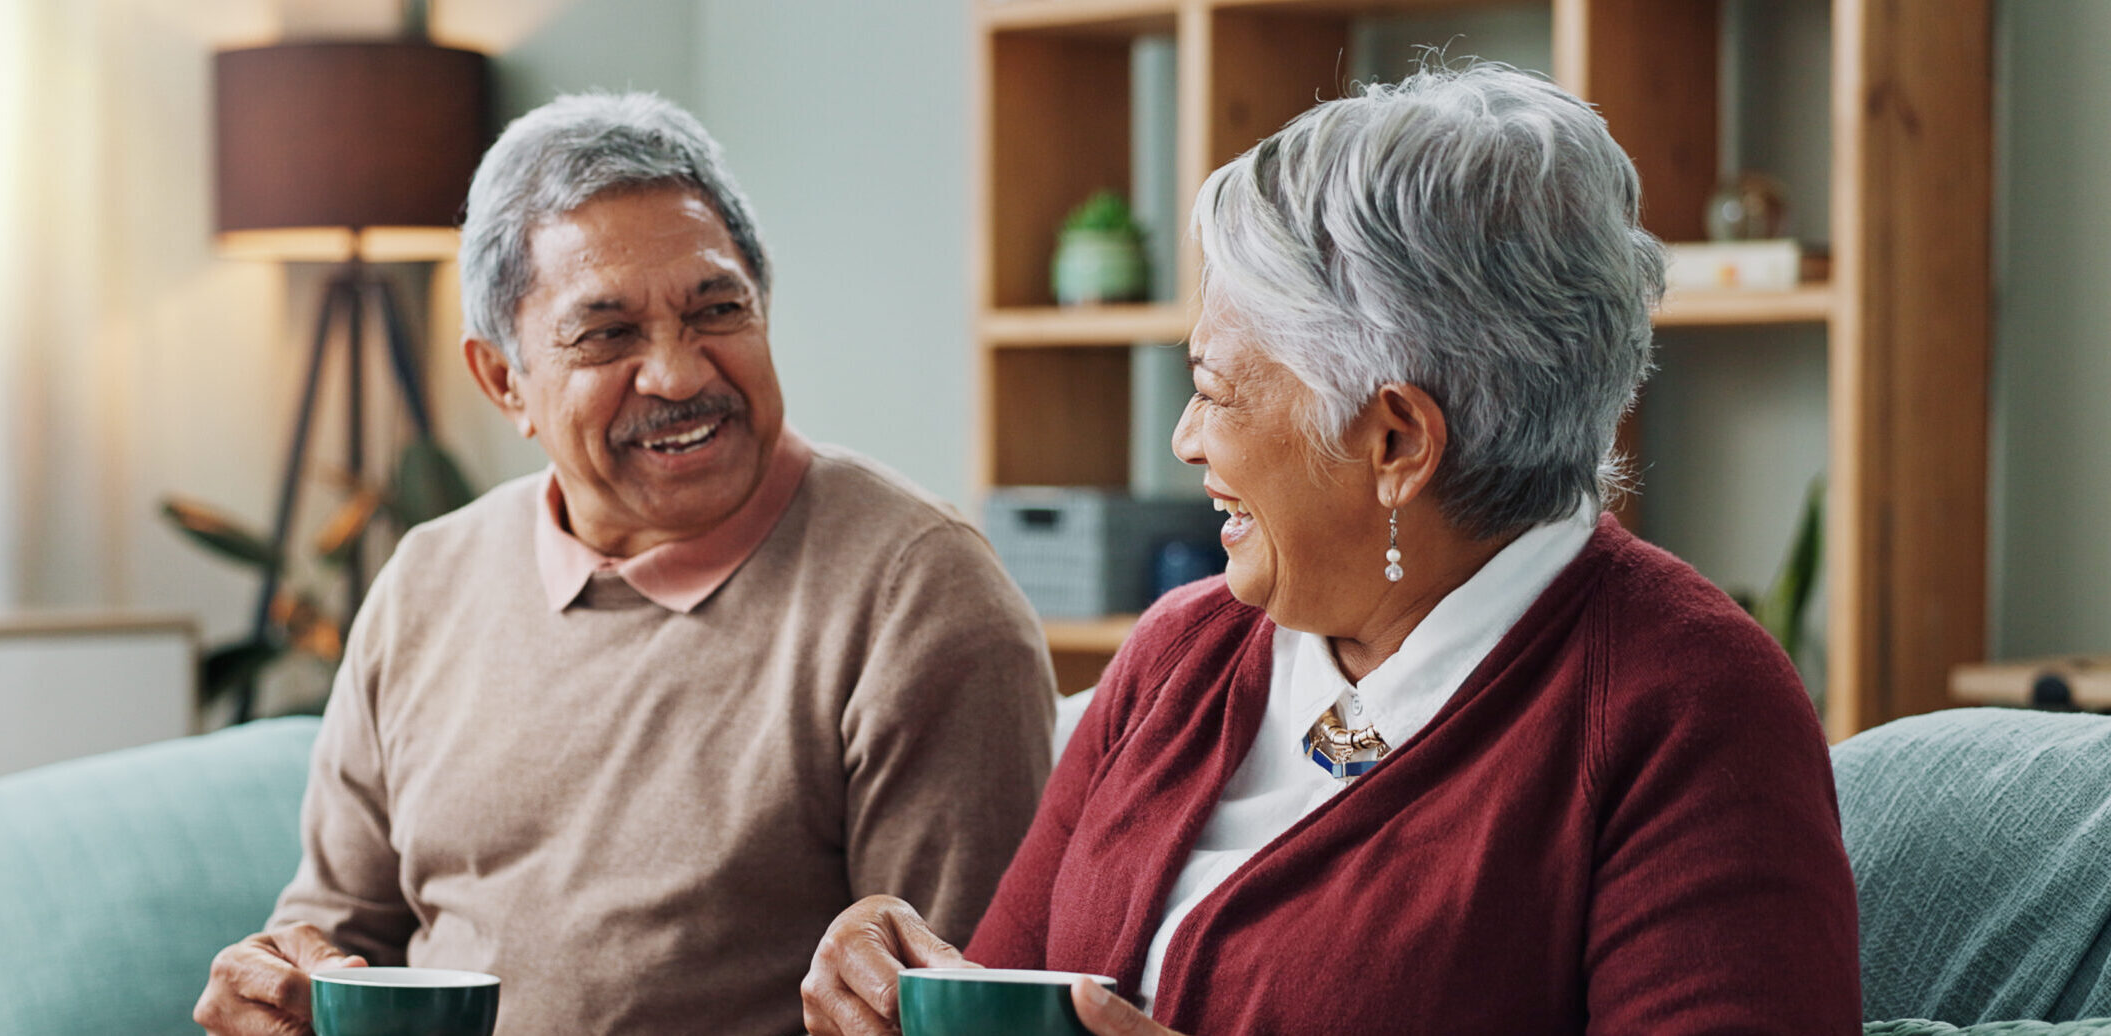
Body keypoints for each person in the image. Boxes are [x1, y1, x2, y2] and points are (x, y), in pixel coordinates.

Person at [800, 63, 1859, 1035]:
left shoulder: (1688, 708)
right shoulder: (1180, 655)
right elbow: (1008, 984)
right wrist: (905, 999)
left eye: (1214, 392)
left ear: (1394, 440)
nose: (1185, 440)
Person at [192, 92, 1057, 1036]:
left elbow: (957, 998)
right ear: (501, 380)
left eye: (717, 309)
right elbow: (336, 931)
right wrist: (274, 984)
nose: (679, 375)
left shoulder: (918, 593)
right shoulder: (425, 582)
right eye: (607, 335)